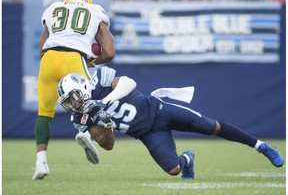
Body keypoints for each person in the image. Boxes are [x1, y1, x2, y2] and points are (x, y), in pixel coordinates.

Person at [56, 67, 284, 180]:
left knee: (211, 126)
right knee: (174, 169)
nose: (74, 104)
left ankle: (261, 146)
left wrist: (103, 102)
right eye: (69, 102)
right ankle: (188, 159)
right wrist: (104, 125)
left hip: (160, 110)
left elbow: (129, 82)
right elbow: (108, 145)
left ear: (83, 87)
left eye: (74, 97)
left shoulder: (99, 80)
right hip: (146, 133)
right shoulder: (80, 118)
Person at [32, 0, 115, 180]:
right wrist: (91, 61)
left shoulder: (54, 7)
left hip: (49, 58)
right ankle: (85, 133)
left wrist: (49, 61)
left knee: (44, 112)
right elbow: (110, 51)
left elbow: (42, 44)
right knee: (88, 103)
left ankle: (40, 162)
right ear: (88, 1)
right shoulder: (95, 10)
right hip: (73, 57)